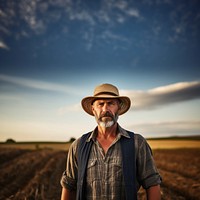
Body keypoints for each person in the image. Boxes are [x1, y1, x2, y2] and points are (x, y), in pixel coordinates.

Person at [60, 83, 162, 200]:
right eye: (100, 104)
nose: (105, 109)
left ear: (118, 107)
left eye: (110, 103)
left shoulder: (137, 143)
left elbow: (152, 183)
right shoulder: (78, 146)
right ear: (93, 109)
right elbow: (69, 186)